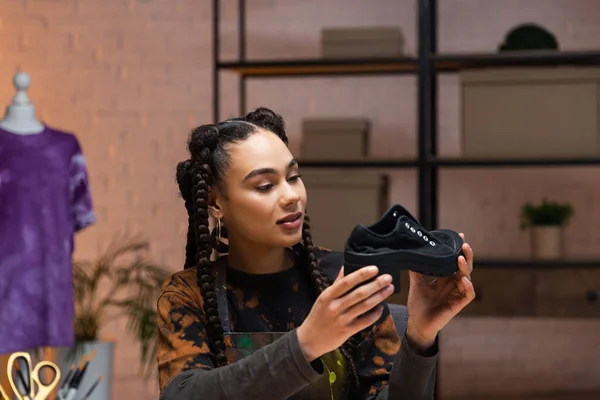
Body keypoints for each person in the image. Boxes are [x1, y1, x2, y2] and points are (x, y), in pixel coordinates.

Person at [156, 107, 475, 400]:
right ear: (215, 202)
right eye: (266, 186)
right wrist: (307, 342)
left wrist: (419, 337)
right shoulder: (189, 295)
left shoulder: (343, 278)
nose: (291, 196)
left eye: (293, 177)